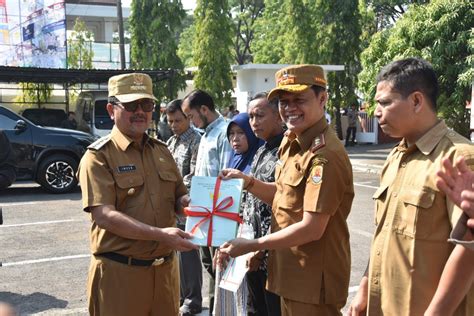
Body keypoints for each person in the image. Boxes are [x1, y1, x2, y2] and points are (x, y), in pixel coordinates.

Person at [219, 64, 354, 315]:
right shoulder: (292, 143)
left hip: (312, 282)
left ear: (322, 98)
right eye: (283, 101)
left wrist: (252, 244)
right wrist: (248, 182)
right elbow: (283, 196)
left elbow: (312, 228)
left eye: (299, 99)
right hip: (287, 273)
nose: (289, 108)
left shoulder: (324, 155)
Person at [348, 57, 474, 316]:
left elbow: (468, 248)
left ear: (416, 101)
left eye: (384, 102)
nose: (376, 112)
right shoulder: (397, 156)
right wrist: (363, 288)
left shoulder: (458, 158)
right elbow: (383, 234)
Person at [77, 73, 197, 316]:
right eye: (131, 105)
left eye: (147, 104)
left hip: (164, 273)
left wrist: (195, 205)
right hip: (121, 276)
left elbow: (178, 199)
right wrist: (161, 235)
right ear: (111, 110)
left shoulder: (161, 151)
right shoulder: (98, 157)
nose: (140, 111)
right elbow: (104, 216)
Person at [181, 89, 232, 315]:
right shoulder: (205, 134)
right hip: (202, 211)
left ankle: (217, 310)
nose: (190, 122)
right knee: (209, 265)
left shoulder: (224, 133)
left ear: (203, 109)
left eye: (191, 116)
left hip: (218, 213)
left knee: (219, 267)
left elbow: (226, 177)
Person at [214, 112, 264, 316]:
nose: (235, 138)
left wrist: (256, 251)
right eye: (231, 134)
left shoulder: (259, 159)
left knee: (252, 302)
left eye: (241, 133)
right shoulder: (232, 162)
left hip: (252, 243)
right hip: (231, 239)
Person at [243, 93, 284, 316]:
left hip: (272, 258)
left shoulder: (286, 151)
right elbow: (250, 205)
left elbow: (284, 209)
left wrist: (260, 251)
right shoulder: (261, 150)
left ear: (279, 116)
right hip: (252, 254)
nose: (254, 122)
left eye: (260, 115)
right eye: (250, 116)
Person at [165, 99, 203, 316]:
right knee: (176, 254)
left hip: (187, 203)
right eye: (170, 121)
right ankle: (181, 294)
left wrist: (175, 193)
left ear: (188, 118)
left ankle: (193, 299)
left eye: (178, 120)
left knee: (188, 254)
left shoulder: (196, 141)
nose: (174, 124)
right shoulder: (171, 142)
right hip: (171, 205)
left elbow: (194, 176)